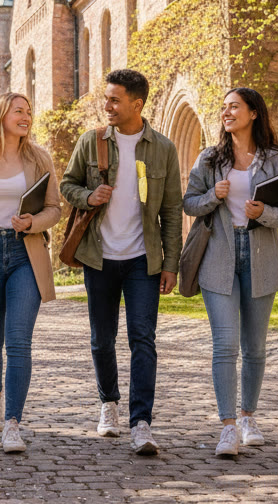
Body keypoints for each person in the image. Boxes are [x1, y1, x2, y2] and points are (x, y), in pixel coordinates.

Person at [59, 69, 182, 455]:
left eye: (114, 99)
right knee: (102, 339)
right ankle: (108, 404)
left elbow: (173, 210)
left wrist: (171, 263)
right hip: (99, 256)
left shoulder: (162, 148)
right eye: (106, 99)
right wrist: (88, 196)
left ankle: (141, 421)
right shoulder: (91, 141)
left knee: (143, 339)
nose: (107, 105)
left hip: (143, 259)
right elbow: (67, 184)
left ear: (136, 104)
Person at [183, 88, 278, 457]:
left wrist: (261, 213)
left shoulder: (276, 159)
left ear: (252, 113)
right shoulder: (210, 158)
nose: (226, 112)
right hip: (219, 256)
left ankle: (249, 416)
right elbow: (189, 203)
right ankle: (228, 426)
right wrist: (213, 196)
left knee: (255, 347)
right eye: (223, 108)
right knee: (226, 344)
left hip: (260, 255)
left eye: (234, 107)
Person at [0, 91, 61, 453]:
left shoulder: (39, 158)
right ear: (1, 115)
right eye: (19, 111)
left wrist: (34, 221)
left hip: (25, 254)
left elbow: (54, 208)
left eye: (29, 111)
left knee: (18, 342)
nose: (26, 116)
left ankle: (13, 422)